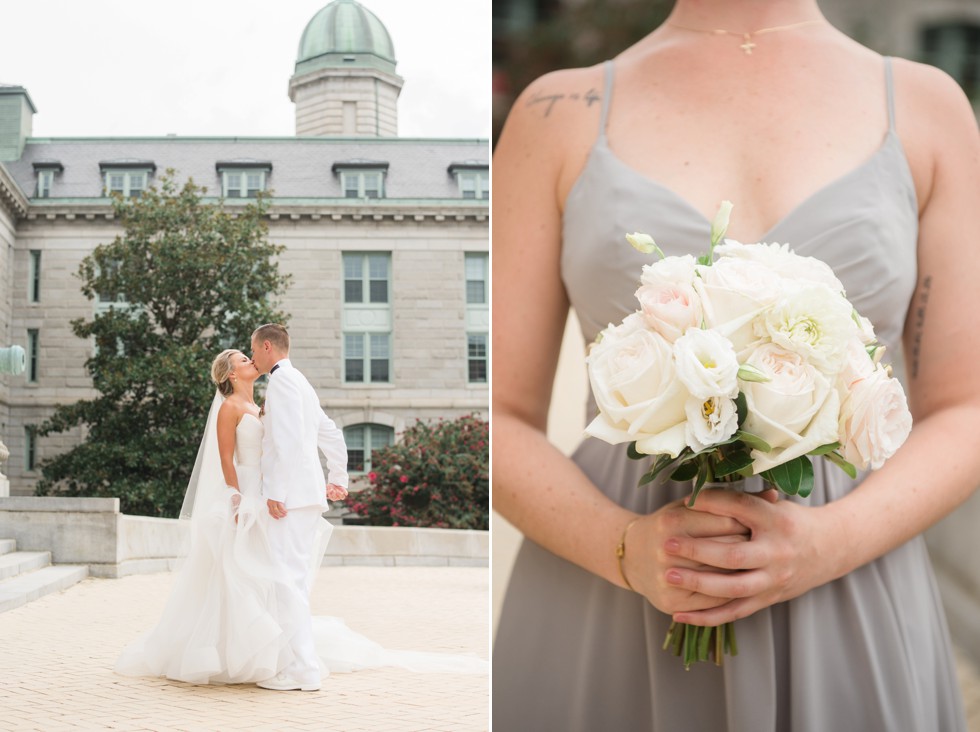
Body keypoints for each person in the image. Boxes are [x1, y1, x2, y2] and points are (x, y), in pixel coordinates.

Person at [492, 1, 980, 730]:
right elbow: (493, 413)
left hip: (851, 581)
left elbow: (966, 405)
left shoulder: (926, 107)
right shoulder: (558, 113)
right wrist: (625, 550)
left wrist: (827, 545)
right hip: (608, 588)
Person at [117, 343, 489, 687]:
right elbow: (226, 458)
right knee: (236, 570)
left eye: (250, 355)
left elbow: (287, 442)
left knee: (268, 572)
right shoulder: (230, 408)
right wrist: (234, 497)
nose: (250, 361)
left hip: (267, 495)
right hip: (247, 494)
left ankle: (276, 652)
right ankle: (232, 651)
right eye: (243, 361)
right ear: (231, 375)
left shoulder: (264, 401)